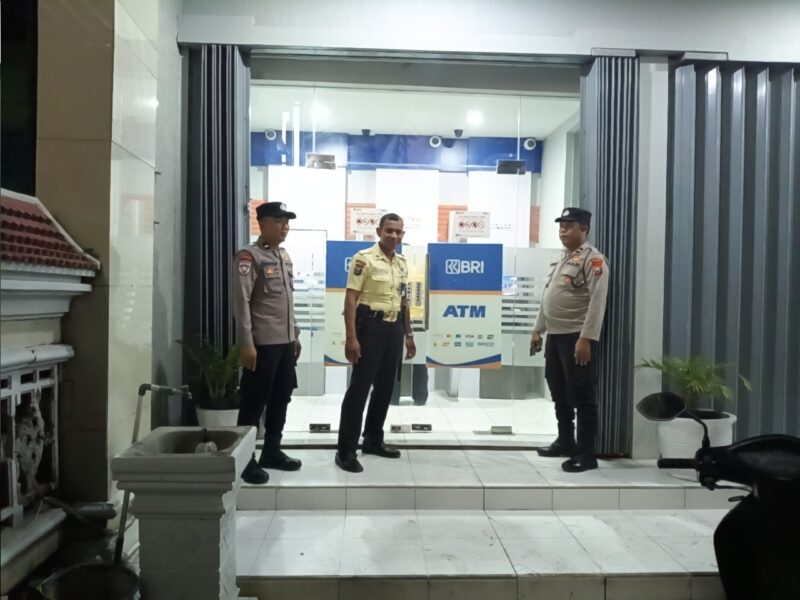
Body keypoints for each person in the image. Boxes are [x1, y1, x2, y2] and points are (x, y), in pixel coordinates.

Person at [335, 213, 416, 473]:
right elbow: (350, 299)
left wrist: (409, 335)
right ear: (379, 231)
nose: (394, 235)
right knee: (359, 390)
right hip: (370, 328)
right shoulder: (364, 259)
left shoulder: (401, 264)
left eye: (398, 232)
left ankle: (372, 439)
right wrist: (351, 338)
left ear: (403, 235)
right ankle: (345, 451)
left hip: (394, 329)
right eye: (389, 230)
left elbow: (404, 302)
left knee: (384, 389)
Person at [530, 207, 609, 472]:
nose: (563, 230)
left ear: (584, 229)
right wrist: (538, 329)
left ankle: (586, 454)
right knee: (559, 391)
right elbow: (548, 295)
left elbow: (597, 302)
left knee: (582, 394)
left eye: (569, 225)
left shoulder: (593, 260)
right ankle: (565, 440)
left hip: (577, 337)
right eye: (561, 226)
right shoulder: (562, 259)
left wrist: (586, 338)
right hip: (555, 336)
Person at [232, 201, 303, 484]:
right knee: (254, 401)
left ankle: (271, 451)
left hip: (285, 343)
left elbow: (287, 301)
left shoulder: (283, 256)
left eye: (287, 222)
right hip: (262, 344)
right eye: (278, 221)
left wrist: (294, 333)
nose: (284, 226)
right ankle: (245, 460)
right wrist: (246, 343)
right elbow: (241, 303)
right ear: (261, 223)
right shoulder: (249, 256)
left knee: (281, 397)